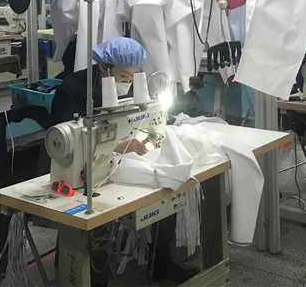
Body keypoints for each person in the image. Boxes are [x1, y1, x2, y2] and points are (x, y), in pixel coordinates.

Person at [49, 37, 196, 284]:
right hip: (81, 168)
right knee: (96, 219)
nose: (128, 82)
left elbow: (141, 117)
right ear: (103, 67)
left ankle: (160, 262)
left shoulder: (134, 86)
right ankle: (92, 279)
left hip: (116, 161)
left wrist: (146, 137)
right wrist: (116, 146)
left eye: (133, 76)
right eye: (123, 75)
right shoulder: (72, 88)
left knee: (166, 187)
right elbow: (66, 141)